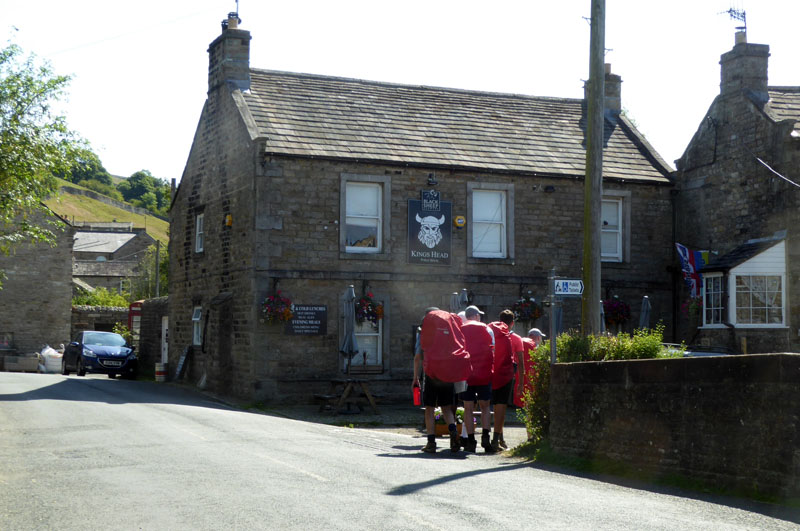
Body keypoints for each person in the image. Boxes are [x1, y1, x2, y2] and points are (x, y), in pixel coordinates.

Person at [413, 307, 471, 454]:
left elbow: (418, 356)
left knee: (430, 408)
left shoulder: (425, 331)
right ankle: (453, 433)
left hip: (432, 373)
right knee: (446, 407)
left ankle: (431, 442)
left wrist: (415, 377)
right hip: (448, 373)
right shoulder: (449, 330)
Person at [458, 305, 495, 453]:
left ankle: (471, 441)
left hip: (466, 374)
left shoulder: (460, 329)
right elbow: (494, 350)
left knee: (468, 408)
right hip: (484, 372)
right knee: (485, 406)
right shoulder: (487, 329)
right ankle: (486, 437)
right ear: (477, 316)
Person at [488, 309, 524, 452]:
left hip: (490, 373)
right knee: (501, 406)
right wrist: (521, 382)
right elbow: (520, 362)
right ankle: (496, 438)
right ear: (512, 323)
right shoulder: (516, 339)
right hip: (506, 375)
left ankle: (499, 437)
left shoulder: (491, 333)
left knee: (493, 405)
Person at [519, 328, 545, 440]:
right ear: (538, 337)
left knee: (528, 408)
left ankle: (530, 434)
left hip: (523, 379)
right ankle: (533, 434)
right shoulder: (537, 348)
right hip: (534, 380)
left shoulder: (522, 345)